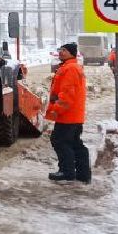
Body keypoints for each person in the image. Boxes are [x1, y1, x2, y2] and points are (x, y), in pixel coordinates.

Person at [45, 42, 90, 183]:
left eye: (64, 50)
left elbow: (67, 94)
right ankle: (82, 173)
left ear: (72, 53)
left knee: (60, 140)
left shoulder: (70, 69)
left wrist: (55, 110)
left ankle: (67, 171)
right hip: (74, 114)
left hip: (67, 115)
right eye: (60, 49)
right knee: (74, 143)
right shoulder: (71, 67)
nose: (61, 52)